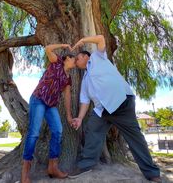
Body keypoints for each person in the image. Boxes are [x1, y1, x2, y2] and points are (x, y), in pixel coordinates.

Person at [69, 35, 161, 183]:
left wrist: (83, 41)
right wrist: (79, 118)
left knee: (135, 138)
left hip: (122, 104)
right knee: (92, 130)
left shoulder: (98, 57)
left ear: (86, 56)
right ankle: (86, 165)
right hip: (102, 112)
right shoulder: (85, 80)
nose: (76, 61)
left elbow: (100, 38)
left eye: (78, 58)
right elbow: (85, 101)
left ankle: (151, 172)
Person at [21, 43, 75, 183]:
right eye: (73, 59)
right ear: (66, 59)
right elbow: (48, 49)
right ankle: (25, 171)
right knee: (34, 133)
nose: (74, 61)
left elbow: (67, 98)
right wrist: (63, 45)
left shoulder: (68, 79)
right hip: (38, 99)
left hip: (51, 105)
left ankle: (53, 167)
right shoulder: (56, 62)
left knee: (58, 130)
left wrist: (69, 116)